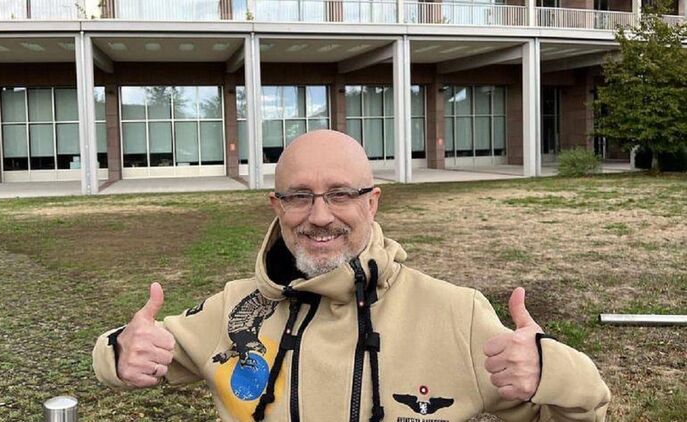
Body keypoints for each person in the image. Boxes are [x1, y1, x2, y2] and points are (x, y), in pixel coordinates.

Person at [93, 130, 610, 421]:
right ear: (276, 205)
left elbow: (577, 416)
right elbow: (130, 352)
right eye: (299, 196)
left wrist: (554, 371)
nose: (319, 216)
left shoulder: (457, 315)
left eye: (341, 194)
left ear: (372, 202)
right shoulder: (235, 309)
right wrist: (119, 351)